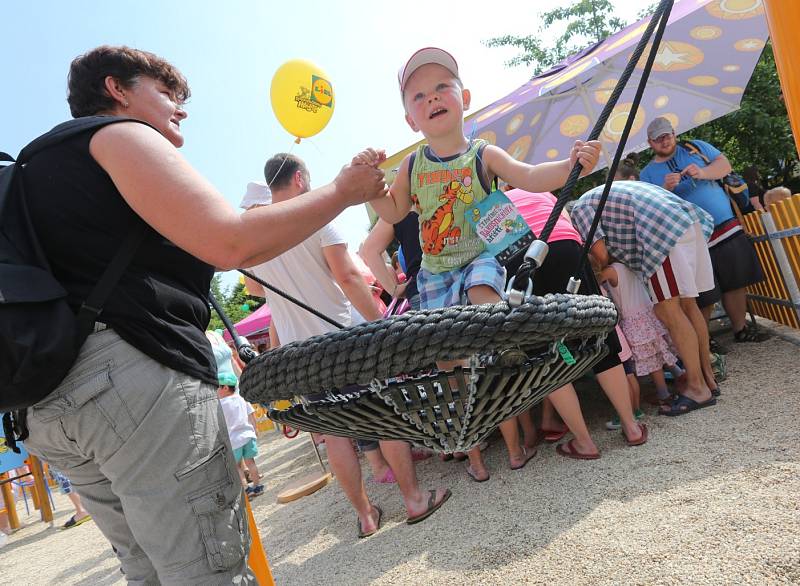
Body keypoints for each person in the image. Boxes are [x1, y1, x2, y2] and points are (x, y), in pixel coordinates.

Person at [21, 45, 386, 584]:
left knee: (147, 568)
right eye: (167, 93)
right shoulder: (118, 136)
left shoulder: (36, 165)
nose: (181, 108)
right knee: (206, 568)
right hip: (129, 380)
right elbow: (229, 242)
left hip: (44, 404)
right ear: (116, 90)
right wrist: (342, 191)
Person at [362, 47, 602, 479]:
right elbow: (395, 211)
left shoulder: (482, 154)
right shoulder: (413, 165)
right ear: (410, 121)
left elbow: (528, 176)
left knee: (482, 291)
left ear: (464, 97)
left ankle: (503, 338)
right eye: (418, 96)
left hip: (478, 256)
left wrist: (571, 167)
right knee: (448, 358)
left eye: (441, 88)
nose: (431, 98)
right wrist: (371, 188)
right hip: (435, 270)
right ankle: (470, 400)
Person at [244, 153, 450, 538]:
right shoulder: (315, 215)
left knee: (335, 432)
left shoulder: (258, 229)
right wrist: (377, 325)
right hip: (342, 337)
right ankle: (414, 499)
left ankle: (367, 515)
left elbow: (256, 289)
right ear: (301, 178)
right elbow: (349, 274)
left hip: (298, 353)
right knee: (383, 413)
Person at [504, 189, 648, 458]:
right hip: (565, 247)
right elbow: (567, 222)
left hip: (519, 258)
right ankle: (632, 427)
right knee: (599, 337)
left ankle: (584, 441)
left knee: (546, 356)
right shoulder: (543, 191)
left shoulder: (490, 206)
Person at [571, 180, 721, 416]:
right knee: (688, 305)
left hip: (659, 233)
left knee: (667, 310)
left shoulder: (578, 211)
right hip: (684, 221)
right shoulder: (597, 195)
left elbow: (600, 254)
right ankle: (707, 380)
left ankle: (697, 388)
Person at [639, 116, 767, 343]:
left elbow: (725, 165)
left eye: (666, 135)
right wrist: (665, 189)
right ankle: (703, 341)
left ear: (674, 134)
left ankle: (740, 328)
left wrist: (702, 172)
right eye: (658, 139)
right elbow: (647, 208)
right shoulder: (647, 174)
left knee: (735, 281)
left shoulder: (696, 147)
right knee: (701, 295)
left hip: (724, 224)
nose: (664, 141)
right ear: (650, 143)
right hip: (687, 239)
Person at [360, 213, 423, 309]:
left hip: (421, 289)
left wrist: (395, 291)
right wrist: (395, 290)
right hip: (426, 287)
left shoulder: (399, 206)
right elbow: (369, 251)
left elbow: (369, 250)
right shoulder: (401, 206)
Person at [217, 375, 264, 499]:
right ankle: (258, 486)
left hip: (233, 440)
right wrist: (255, 428)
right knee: (251, 463)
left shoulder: (220, 404)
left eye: (217, 387)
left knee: (237, 467)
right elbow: (251, 414)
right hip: (248, 436)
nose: (216, 391)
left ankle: (247, 490)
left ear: (225, 387)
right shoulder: (242, 398)